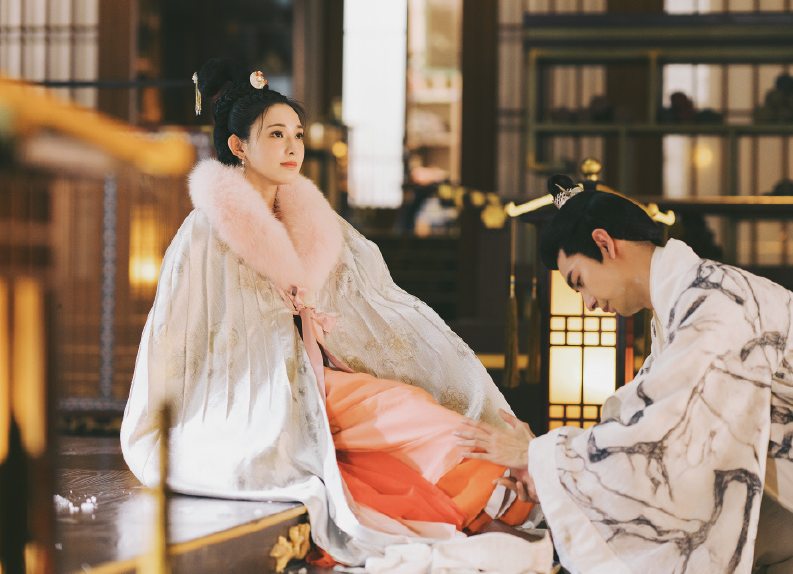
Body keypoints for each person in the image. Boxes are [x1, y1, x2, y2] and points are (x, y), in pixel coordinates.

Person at [120, 59, 534, 567]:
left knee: (415, 399)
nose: (292, 146)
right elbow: (182, 333)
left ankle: (492, 494)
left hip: (320, 370)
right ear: (238, 146)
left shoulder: (311, 217)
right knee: (410, 410)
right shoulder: (207, 229)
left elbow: (373, 295)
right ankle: (489, 497)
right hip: (259, 385)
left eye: (296, 133)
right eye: (276, 134)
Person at [457, 176, 793, 574]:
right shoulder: (684, 300)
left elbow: (672, 432)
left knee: (686, 472)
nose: (588, 303)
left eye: (579, 280)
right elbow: (640, 418)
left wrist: (543, 457)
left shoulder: (714, 299)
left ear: (605, 244)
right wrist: (553, 474)